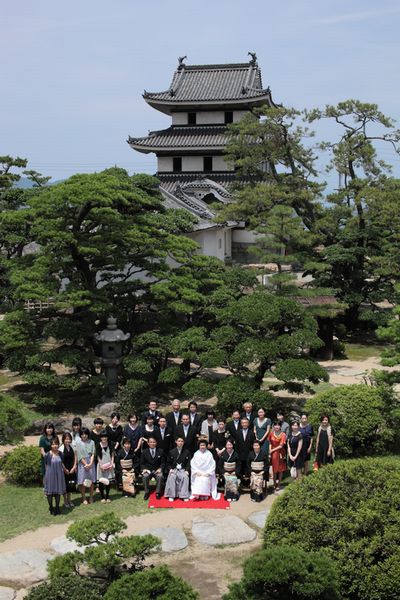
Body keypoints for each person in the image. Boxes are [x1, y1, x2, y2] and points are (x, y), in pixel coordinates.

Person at [44, 436, 66, 515]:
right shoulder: (47, 455)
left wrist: (65, 470)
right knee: (49, 493)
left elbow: (61, 463)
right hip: (50, 475)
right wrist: (46, 478)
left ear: (58, 444)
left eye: (56, 444)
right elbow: (46, 466)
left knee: (57, 492)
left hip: (59, 474)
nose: (54, 446)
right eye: (53, 444)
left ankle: (57, 507)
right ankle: (51, 507)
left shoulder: (61, 454)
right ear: (50, 445)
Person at [164, 436, 191, 502]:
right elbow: (168, 463)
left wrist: (187, 470)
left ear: (183, 442)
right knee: (172, 476)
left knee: (185, 477)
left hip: (183, 470)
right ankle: (171, 495)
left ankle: (184, 495)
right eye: (179, 441)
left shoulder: (187, 452)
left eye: (182, 441)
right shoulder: (172, 452)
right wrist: (170, 469)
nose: (180, 442)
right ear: (176, 442)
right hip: (174, 469)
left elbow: (188, 463)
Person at [76, 427, 96, 504]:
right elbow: (79, 455)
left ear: (88, 434)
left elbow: (93, 453)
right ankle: (84, 498)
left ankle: (91, 497)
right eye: (82, 434)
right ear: (80, 435)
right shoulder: (78, 443)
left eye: (85, 434)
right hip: (82, 463)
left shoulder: (92, 442)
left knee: (91, 482)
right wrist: (86, 464)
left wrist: (90, 463)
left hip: (91, 462)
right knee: (82, 482)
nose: (84, 435)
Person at [235, 418, 256, 484]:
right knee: (240, 470)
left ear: (248, 424)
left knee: (248, 469)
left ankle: (248, 482)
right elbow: (236, 445)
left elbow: (253, 445)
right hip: (240, 455)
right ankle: (241, 482)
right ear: (241, 424)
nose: (244, 424)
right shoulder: (238, 433)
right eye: (243, 423)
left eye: (246, 423)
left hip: (248, 455)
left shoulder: (252, 433)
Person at [96, 432, 115, 503]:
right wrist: (101, 466)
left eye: (105, 437)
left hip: (109, 465)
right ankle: (102, 497)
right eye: (102, 437)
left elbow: (112, 455)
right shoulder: (98, 445)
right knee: (101, 481)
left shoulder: (110, 444)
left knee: (108, 481)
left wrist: (112, 464)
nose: (104, 438)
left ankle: (107, 496)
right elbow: (98, 456)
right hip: (101, 465)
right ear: (100, 437)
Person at [268, 422, 287, 491]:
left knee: (280, 469)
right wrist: (270, 451)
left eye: (278, 425)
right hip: (273, 453)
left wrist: (272, 450)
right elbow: (270, 442)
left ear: (280, 427)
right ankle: (274, 484)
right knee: (274, 469)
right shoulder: (271, 433)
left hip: (280, 453)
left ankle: (279, 484)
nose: (277, 427)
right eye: (275, 425)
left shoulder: (283, 434)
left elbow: (281, 445)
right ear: (273, 426)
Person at [61, 431, 76, 508]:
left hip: (72, 469)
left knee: (71, 485)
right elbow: (60, 461)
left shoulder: (72, 447)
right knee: (65, 486)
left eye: (69, 439)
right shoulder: (61, 448)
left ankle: (70, 500)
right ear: (63, 440)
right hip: (64, 470)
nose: (68, 440)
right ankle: (65, 501)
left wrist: (74, 467)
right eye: (66, 439)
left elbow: (75, 457)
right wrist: (65, 469)